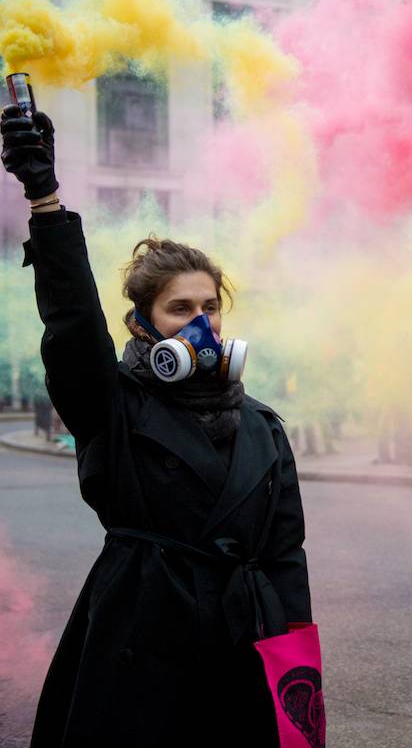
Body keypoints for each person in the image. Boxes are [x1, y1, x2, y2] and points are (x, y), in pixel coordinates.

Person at [3, 104, 312, 746]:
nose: (201, 322)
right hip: (138, 638)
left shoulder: (263, 428)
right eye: (179, 308)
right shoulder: (113, 404)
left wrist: (294, 670)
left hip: (239, 645)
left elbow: (286, 557)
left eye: (210, 307)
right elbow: (72, 327)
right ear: (144, 324)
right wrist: (46, 200)